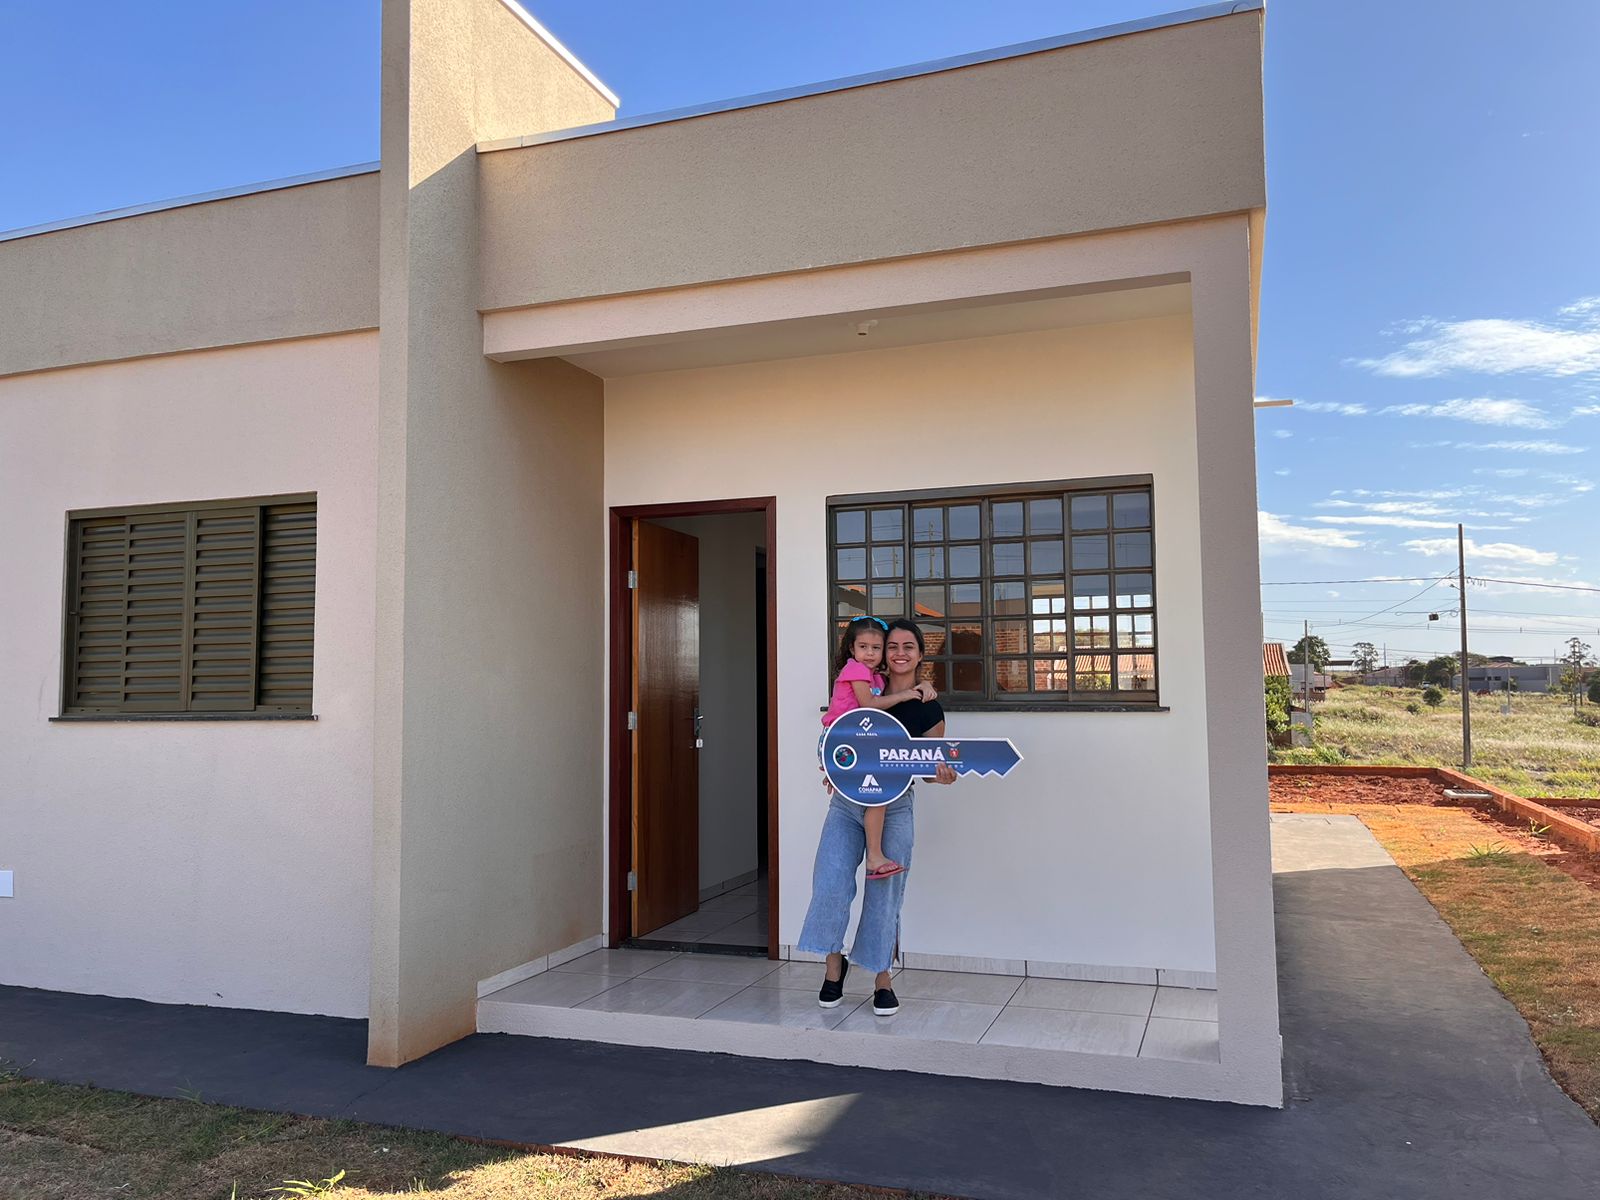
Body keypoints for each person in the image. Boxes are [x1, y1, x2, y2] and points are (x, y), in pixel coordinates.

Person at [799, 617, 956, 1017]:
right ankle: (833, 969)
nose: (899, 653)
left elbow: (927, 768)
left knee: (885, 895)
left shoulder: (929, 708)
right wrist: (835, 769)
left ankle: (882, 979)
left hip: (895, 806)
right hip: (846, 804)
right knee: (830, 885)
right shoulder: (867, 686)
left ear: (920, 655)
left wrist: (941, 775)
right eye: (892, 646)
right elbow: (841, 742)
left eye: (908, 646)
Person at [821, 615, 935, 880]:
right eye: (863, 647)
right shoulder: (857, 671)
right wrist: (906, 694)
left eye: (876, 648)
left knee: (880, 792)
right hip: (841, 740)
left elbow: (929, 767)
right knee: (879, 791)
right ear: (852, 648)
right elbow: (869, 705)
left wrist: (924, 684)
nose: (870, 653)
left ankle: (874, 855)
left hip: (858, 748)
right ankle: (875, 855)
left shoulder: (875, 678)